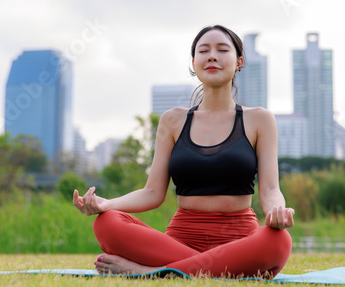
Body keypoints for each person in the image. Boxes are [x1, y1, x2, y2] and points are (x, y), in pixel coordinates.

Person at [73, 25, 295, 279]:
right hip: (179, 241)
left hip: (239, 241)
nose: (212, 56)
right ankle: (219, 271)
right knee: (107, 223)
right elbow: (152, 192)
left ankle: (152, 273)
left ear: (239, 62)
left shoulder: (259, 119)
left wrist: (277, 211)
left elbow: (269, 190)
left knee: (279, 241)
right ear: (194, 62)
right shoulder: (173, 120)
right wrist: (107, 204)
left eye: (222, 50)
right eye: (204, 51)